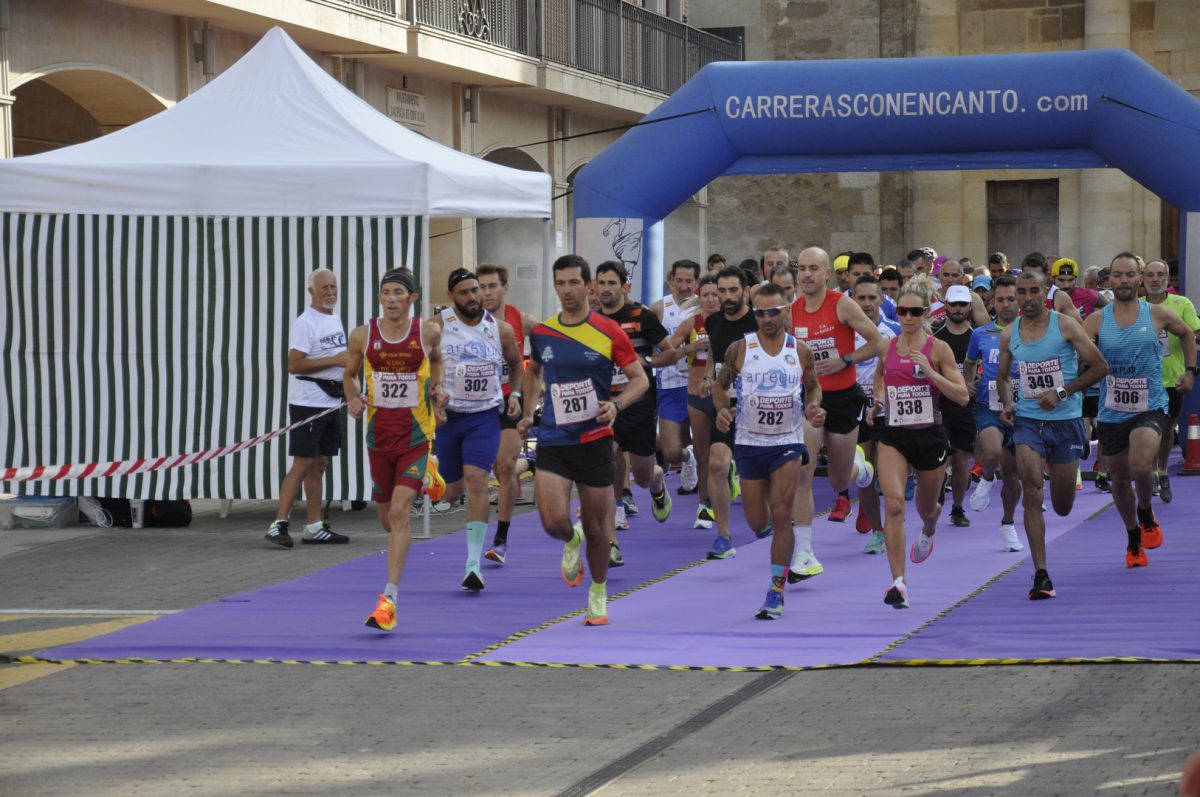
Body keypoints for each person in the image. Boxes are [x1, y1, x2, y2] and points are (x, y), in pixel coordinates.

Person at [518, 255, 648, 626]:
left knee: (597, 528)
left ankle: (598, 593)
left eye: (574, 283)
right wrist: (529, 413)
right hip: (555, 439)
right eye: (561, 283)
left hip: (595, 439)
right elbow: (535, 373)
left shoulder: (609, 331)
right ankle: (569, 540)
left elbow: (640, 379)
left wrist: (617, 405)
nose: (567, 290)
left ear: (588, 287)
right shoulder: (543, 333)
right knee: (553, 521)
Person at [714, 283, 824, 619]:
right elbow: (720, 387)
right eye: (759, 312)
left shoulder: (800, 350)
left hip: (786, 444)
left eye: (773, 311)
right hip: (749, 444)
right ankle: (781, 542)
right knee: (757, 520)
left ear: (787, 310)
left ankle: (776, 589)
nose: (766, 319)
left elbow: (813, 385)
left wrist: (814, 407)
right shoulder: (740, 349)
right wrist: (721, 409)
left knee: (780, 515)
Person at [996, 269, 1108, 601]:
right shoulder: (1009, 334)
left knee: (1061, 505)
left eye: (1034, 291)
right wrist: (1006, 403)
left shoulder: (1065, 325)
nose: (1027, 298)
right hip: (1028, 421)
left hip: (1066, 419)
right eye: (1021, 292)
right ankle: (1041, 574)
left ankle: (1075, 455)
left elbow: (1100, 366)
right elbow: (1002, 377)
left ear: (1046, 293)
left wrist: (1062, 392)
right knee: (1031, 490)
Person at [1083, 253, 1196, 567]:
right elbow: (1075, 348)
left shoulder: (1156, 314)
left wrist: (1190, 370)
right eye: (1117, 275)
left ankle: (1145, 511)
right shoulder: (1096, 320)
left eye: (1129, 275)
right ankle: (1133, 537)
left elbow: (1187, 334)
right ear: (1110, 280)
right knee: (1119, 479)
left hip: (1151, 405)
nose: (1123, 281)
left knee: (1141, 465)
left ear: (1140, 278)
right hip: (1111, 411)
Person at [349, 269, 445, 632]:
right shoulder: (362, 335)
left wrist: (437, 391)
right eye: (386, 292)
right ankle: (431, 475)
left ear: (412, 299)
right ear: (379, 298)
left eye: (398, 293)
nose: (391, 299)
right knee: (386, 519)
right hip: (378, 439)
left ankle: (388, 599)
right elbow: (349, 375)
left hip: (416, 438)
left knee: (401, 513)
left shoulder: (426, 332)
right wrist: (352, 399)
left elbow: (436, 358)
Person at [867, 274, 970, 609]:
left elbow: (962, 396)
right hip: (894, 435)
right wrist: (878, 400)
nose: (907, 317)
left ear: (926, 313)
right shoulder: (887, 346)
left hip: (930, 434)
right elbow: (881, 375)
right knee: (894, 504)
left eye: (914, 312)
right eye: (901, 311)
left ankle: (929, 528)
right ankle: (899, 583)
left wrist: (931, 372)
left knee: (927, 508)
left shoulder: (937, 349)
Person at [427, 268, 522, 591]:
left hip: (484, 416)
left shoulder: (501, 329)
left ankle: (472, 564)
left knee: (477, 481)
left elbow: (516, 364)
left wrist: (517, 395)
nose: (472, 297)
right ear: (452, 297)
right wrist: (433, 394)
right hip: (450, 418)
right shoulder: (440, 325)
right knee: (452, 491)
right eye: (465, 292)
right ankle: (436, 477)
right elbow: (423, 361)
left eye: (476, 290)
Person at [789, 246, 880, 579]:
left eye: (814, 268)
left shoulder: (842, 304)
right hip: (812, 398)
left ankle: (861, 467)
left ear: (828, 273)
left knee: (840, 480)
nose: (807, 274)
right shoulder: (793, 311)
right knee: (803, 470)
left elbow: (876, 342)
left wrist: (845, 360)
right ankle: (804, 553)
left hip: (844, 399)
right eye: (802, 268)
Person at [596, 260, 678, 564]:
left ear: (624, 287)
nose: (606, 289)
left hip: (640, 405)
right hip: (607, 406)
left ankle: (657, 482)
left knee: (642, 475)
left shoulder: (641, 317)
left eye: (611, 283)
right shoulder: (591, 321)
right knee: (610, 461)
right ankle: (611, 541)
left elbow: (670, 352)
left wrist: (647, 363)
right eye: (601, 283)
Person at [267, 268, 351, 548]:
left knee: (320, 464)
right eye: (324, 287)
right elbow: (294, 364)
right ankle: (279, 523)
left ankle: (314, 527)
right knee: (302, 463)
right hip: (308, 402)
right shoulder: (306, 322)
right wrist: (335, 361)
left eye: (333, 286)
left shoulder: (333, 318)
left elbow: (337, 358)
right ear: (311, 292)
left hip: (331, 401)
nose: (331, 292)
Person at [475, 263, 537, 565]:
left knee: (505, 465)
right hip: (476, 402)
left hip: (509, 400)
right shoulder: (466, 320)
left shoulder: (521, 321)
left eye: (491, 286)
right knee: (458, 484)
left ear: (504, 288)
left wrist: (539, 388)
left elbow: (548, 346)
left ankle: (500, 539)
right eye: (481, 287)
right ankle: (533, 463)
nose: (486, 293)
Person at [702, 266, 761, 560]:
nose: (726, 297)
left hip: (760, 408)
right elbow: (715, 354)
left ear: (746, 291)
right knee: (717, 463)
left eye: (732, 291)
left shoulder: (760, 321)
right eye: (721, 291)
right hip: (725, 404)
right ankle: (723, 536)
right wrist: (707, 379)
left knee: (762, 479)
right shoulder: (712, 322)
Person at [964, 274, 1025, 552]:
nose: (1006, 305)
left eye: (1011, 299)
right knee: (991, 452)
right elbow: (968, 363)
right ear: (991, 302)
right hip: (989, 408)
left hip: (1024, 411)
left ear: (1021, 299)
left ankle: (1008, 524)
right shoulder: (980, 334)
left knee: (1013, 474)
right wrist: (967, 385)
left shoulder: (1031, 332)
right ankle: (987, 476)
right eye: (1000, 299)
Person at [850, 274, 900, 554]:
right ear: (853, 300)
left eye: (872, 298)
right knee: (865, 474)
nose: (867, 304)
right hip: (857, 412)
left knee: (888, 473)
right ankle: (878, 532)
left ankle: (894, 525)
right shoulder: (845, 331)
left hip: (889, 412)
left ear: (882, 300)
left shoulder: (894, 329)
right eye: (861, 298)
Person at [1143, 259, 1200, 503]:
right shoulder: (1135, 306)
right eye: (1150, 275)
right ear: (1143, 279)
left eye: (1160, 275)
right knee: (1145, 430)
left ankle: (1162, 471)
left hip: (1171, 378)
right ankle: (1149, 474)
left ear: (1168, 279)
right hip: (1141, 379)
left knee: (1166, 429)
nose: (1155, 279)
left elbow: (1194, 334)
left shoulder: (1181, 303)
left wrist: (1190, 369)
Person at [650, 259, 701, 499]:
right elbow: (650, 349)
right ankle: (688, 460)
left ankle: (710, 487)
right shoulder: (659, 308)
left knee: (703, 441)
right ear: (671, 281)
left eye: (688, 281)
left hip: (697, 383)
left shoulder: (704, 307)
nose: (683, 286)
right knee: (672, 451)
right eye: (678, 280)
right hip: (669, 384)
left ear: (696, 282)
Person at [934, 284, 978, 527]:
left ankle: (958, 508)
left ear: (970, 306)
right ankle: (936, 498)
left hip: (966, 409)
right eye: (954, 304)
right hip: (940, 407)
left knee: (961, 461)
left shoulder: (977, 337)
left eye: (963, 304)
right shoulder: (935, 337)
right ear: (946, 306)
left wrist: (976, 384)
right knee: (939, 459)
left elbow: (987, 372)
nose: (958, 309)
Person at [685, 274, 722, 531]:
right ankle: (704, 505)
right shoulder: (691, 323)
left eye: (715, 294)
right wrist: (689, 348)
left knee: (726, 454)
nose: (711, 299)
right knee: (702, 454)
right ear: (699, 297)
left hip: (726, 395)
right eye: (706, 294)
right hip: (696, 394)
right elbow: (667, 350)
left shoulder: (733, 323)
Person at [848, 252, 897, 322]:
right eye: (856, 274)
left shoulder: (890, 305)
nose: (861, 278)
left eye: (866, 274)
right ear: (848, 275)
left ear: (873, 274)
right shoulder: (838, 302)